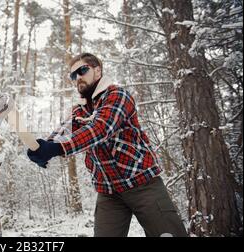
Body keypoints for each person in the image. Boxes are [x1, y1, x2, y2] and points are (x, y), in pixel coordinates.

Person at [27, 53, 187, 237]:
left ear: (97, 70)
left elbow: (101, 128)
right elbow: (62, 133)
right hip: (109, 192)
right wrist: (42, 148)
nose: (77, 77)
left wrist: (58, 148)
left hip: (143, 185)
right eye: (73, 75)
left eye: (82, 70)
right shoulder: (79, 110)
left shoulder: (117, 95)